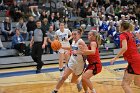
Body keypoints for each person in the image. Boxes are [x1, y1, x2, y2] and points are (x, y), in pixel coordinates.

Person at [52, 28, 87, 93]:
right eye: (72, 34)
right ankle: (55, 90)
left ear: (79, 35)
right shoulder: (74, 41)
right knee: (63, 77)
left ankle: (79, 82)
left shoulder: (81, 42)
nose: (73, 36)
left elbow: (86, 52)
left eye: (75, 34)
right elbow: (70, 48)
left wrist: (79, 52)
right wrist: (61, 47)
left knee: (73, 80)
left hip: (80, 64)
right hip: (72, 61)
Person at [110, 21, 140, 93]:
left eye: (119, 26)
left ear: (122, 27)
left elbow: (124, 48)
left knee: (125, 84)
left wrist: (115, 58)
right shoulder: (130, 34)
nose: (119, 27)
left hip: (134, 61)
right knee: (137, 83)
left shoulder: (123, 35)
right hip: (137, 59)